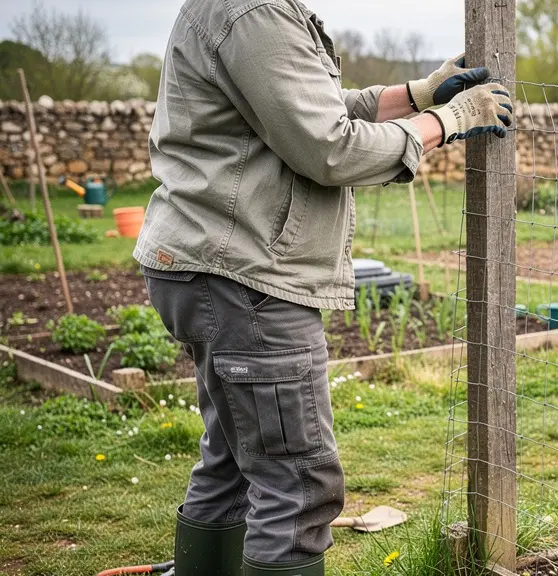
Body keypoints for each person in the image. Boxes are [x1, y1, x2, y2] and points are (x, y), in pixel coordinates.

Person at [134, 1, 514, 574]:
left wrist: (419, 93)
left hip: (212, 263)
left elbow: (309, 110)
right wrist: (449, 120)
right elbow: (329, 147)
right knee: (298, 482)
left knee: (235, 461)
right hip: (249, 274)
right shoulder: (256, 11)